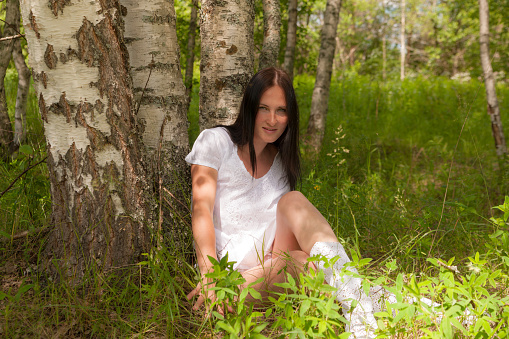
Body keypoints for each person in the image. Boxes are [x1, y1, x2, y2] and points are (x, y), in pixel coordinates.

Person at [185, 67, 378, 338]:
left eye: (282, 110)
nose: (272, 120)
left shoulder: (280, 163)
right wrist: (210, 276)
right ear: (250, 107)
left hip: (275, 266)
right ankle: (360, 301)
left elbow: (280, 241)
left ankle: (360, 300)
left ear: (290, 117)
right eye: (264, 108)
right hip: (231, 281)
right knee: (305, 266)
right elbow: (201, 208)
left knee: (294, 204)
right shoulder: (215, 141)